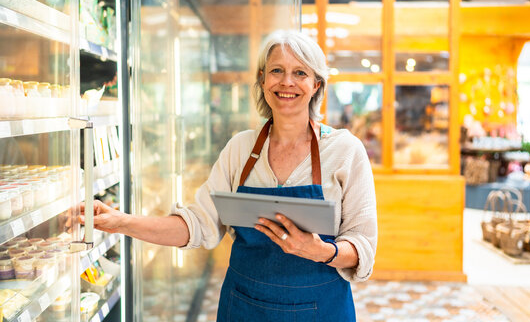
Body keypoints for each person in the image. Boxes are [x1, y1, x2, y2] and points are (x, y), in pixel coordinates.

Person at [82, 30, 377, 321]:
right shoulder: (240, 149)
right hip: (245, 307)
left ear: (316, 84)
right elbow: (197, 225)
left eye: (300, 72)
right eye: (277, 70)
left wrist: (321, 251)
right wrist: (121, 222)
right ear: (263, 79)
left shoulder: (345, 150)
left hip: (321, 309)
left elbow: (362, 245)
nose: (287, 82)